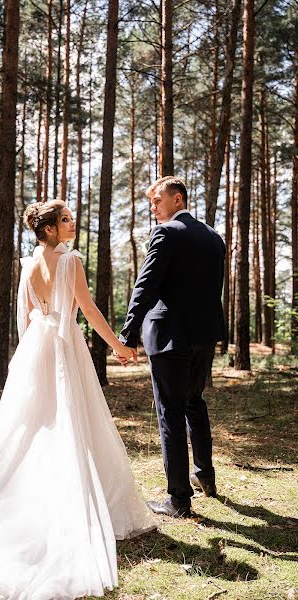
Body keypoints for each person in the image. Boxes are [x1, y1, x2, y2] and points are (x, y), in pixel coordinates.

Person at [0, 200, 156, 599]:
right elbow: (86, 309)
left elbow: (28, 315)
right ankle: (78, 504)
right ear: (49, 229)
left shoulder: (29, 263)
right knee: (72, 420)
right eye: (66, 220)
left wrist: (35, 350)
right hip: (64, 346)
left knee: (38, 423)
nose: (72, 224)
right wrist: (119, 346)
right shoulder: (70, 262)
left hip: (38, 347)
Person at [117, 176, 226, 518]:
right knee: (195, 402)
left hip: (169, 337)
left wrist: (128, 332)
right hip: (204, 336)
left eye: (157, 201)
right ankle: (205, 476)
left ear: (177, 199)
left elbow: (146, 284)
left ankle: (179, 500)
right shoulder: (213, 237)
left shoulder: (167, 232)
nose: (153, 208)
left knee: (170, 414)